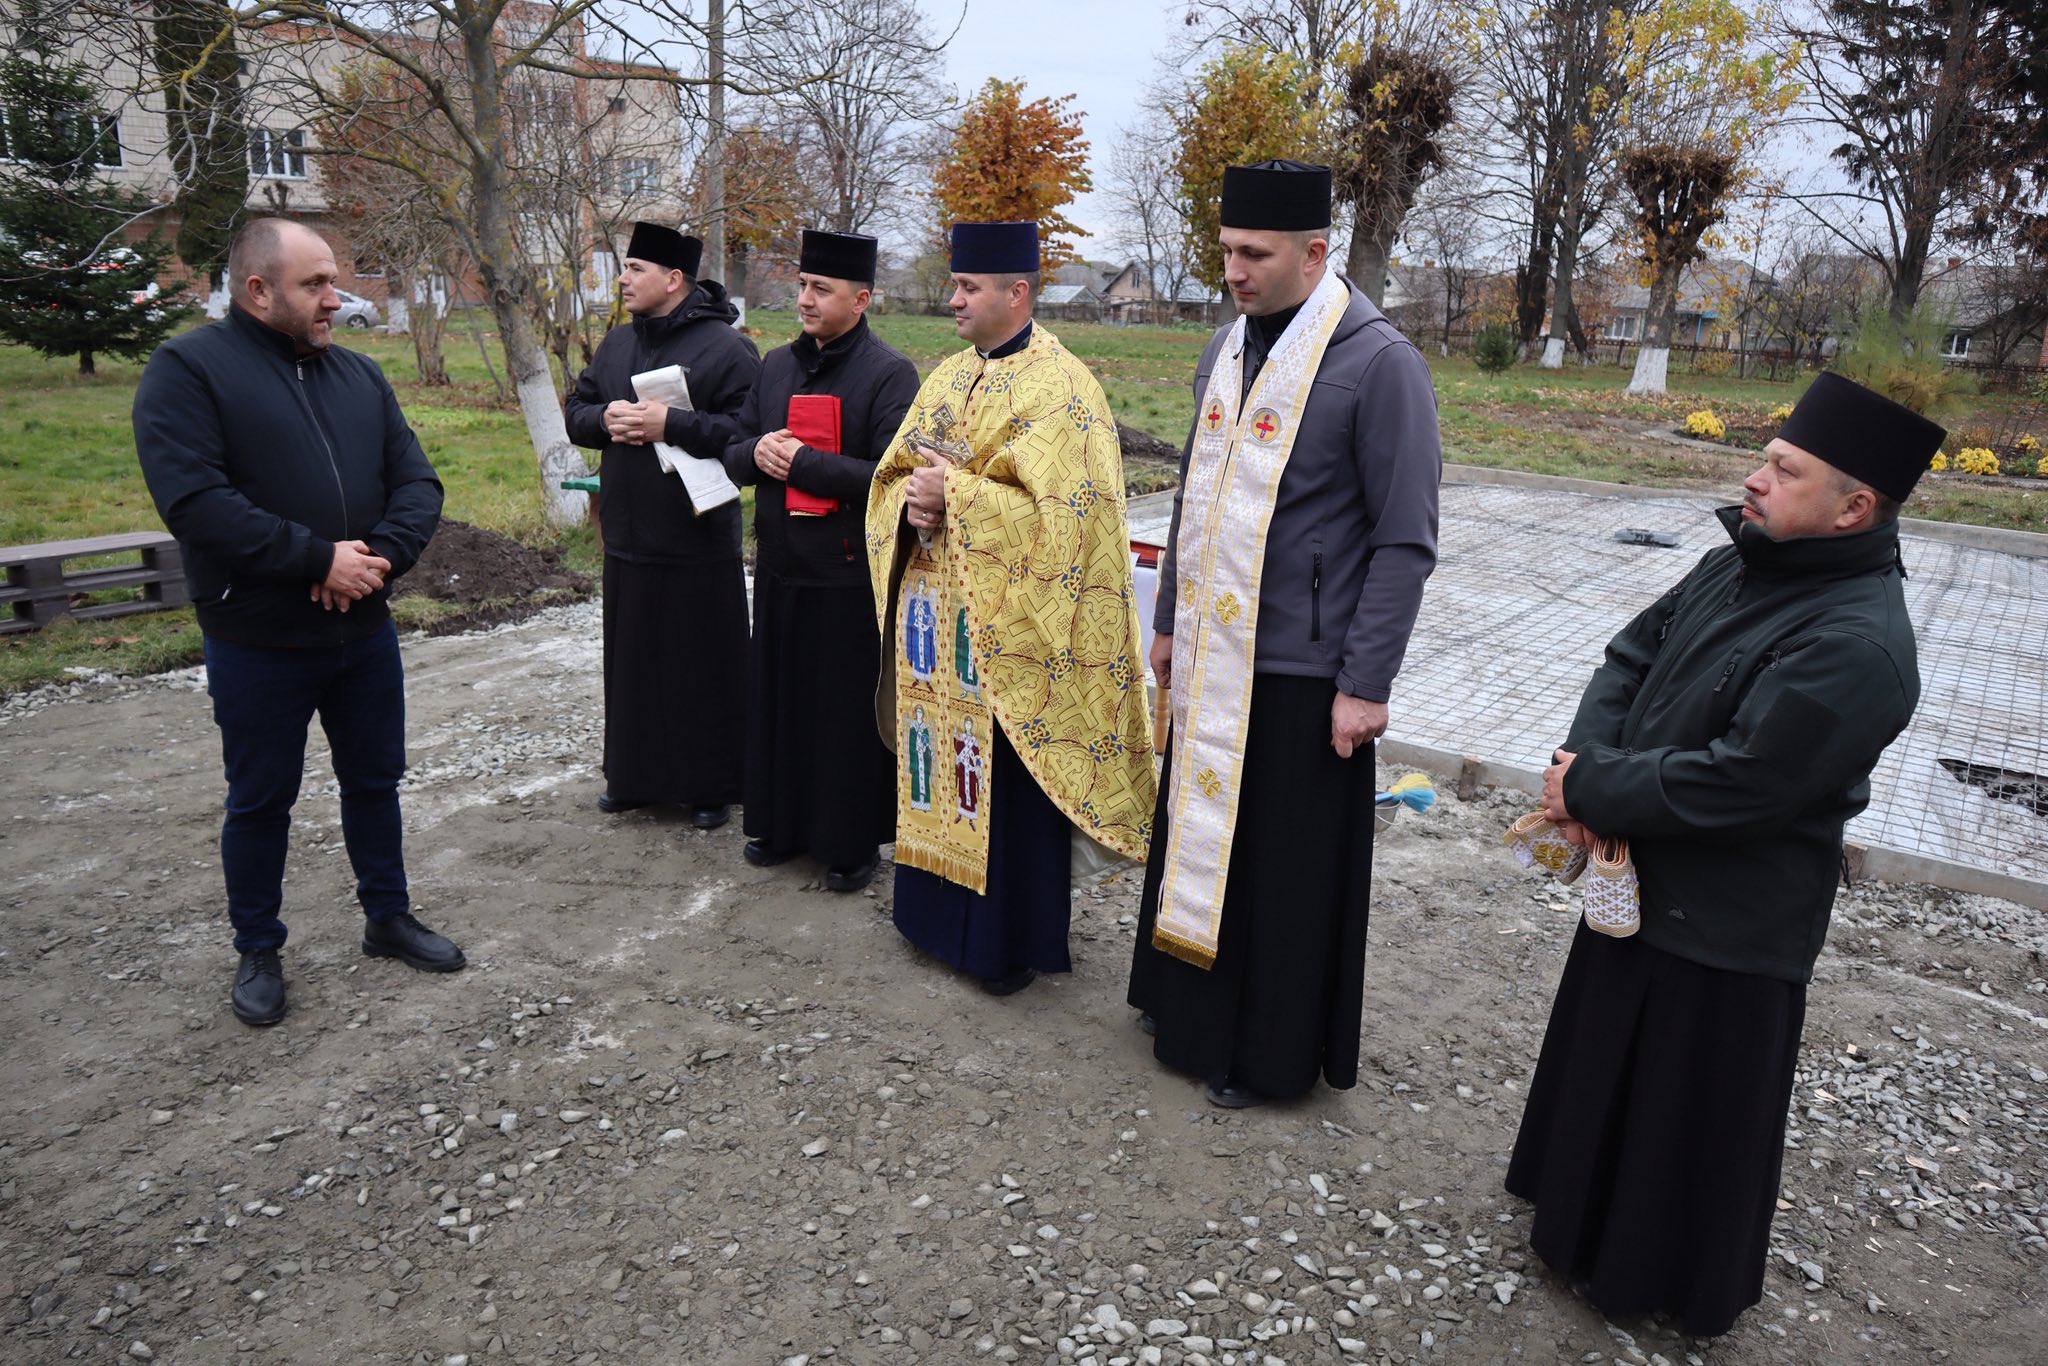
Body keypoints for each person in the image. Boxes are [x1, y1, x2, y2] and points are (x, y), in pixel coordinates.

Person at [1507, 371, 1944, 1336]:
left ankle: (1652, 1279)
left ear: (1853, 507)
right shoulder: (1743, 558)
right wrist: (1582, 768)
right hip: (1646, 873)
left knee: (1679, 1108)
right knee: (1605, 1062)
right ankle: (1572, 1221)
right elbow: (1630, 653)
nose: (1753, 478)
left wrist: (1588, 788)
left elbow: (1741, 782)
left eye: (1783, 468)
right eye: (1763, 457)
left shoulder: (1860, 646)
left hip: (1729, 929)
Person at [1126, 161, 1442, 1108]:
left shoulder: (1381, 364)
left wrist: (1366, 685)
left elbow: (1404, 540)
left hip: (1305, 669)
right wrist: (1173, 624)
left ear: (1315, 254)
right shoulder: (1225, 346)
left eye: (1254, 254)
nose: (1234, 271)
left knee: (1278, 869)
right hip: (1213, 652)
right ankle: (1182, 1010)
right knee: (1197, 836)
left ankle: (1263, 1055)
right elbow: (1196, 492)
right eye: (1226, 251)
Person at [133, 216, 459, 1027]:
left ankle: (387, 916)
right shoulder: (188, 371)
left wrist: (373, 560)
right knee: (261, 798)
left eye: (333, 280)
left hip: (364, 629)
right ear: (257, 289)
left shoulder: (357, 376)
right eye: (315, 283)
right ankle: (258, 947)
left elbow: (418, 483)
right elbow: (198, 503)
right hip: (260, 639)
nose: (335, 297)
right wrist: (317, 560)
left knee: (375, 780)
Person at [866, 220, 1156, 995]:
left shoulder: (1064, 390)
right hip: (938, 631)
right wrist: (909, 502)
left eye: (968, 288)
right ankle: (929, 923)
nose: (953, 300)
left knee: (1002, 786)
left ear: (1017, 292)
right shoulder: (948, 377)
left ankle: (1002, 948)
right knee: (940, 766)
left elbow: (1070, 522)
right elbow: (891, 475)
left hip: (1013, 639)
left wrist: (954, 495)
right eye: (956, 287)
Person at [721, 229, 919, 890]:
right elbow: (732, 451)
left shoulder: (890, 373)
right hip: (779, 569)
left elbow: (891, 478)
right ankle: (777, 828)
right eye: (802, 285)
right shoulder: (774, 364)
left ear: (860, 298)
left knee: (839, 717)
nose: (804, 299)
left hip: (845, 578)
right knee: (778, 703)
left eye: (821, 289)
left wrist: (805, 463)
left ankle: (848, 844)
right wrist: (756, 456)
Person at [565, 222, 759, 830]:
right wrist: (607, 418)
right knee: (633, 665)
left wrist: (668, 425)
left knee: (696, 666)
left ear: (674, 279)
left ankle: (711, 786)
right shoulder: (618, 343)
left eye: (635, 269)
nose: (622, 279)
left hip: (694, 537)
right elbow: (576, 411)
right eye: (625, 268)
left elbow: (745, 436)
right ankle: (633, 780)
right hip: (626, 536)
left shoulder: (726, 348)